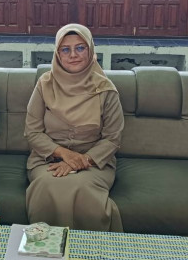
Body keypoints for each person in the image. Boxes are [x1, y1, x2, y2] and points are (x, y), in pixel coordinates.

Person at [24, 23, 124, 231]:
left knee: (82, 188)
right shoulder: (45, 84)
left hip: (94, 162)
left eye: (80, 48)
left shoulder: (105, 89)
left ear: (90, 50)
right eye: (65, 49)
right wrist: (64, 154)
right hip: (48, 159)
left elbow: (112, 138)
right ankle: (45, 248)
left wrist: (79, 161)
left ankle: (91, 248)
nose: (73, 55)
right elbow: (32, 132)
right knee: (47, 185)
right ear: (58, 54)